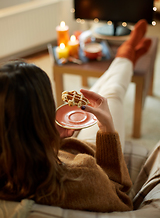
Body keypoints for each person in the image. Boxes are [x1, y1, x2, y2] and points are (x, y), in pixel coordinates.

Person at [0, 20, 151, 213]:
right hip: (78, 157)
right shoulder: (83, 177)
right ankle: (127, 55)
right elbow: (120, 195)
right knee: (110, 95)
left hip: (54, 151)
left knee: (94, 95)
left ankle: (125, 59)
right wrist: (107, 128)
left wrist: (49, 139)